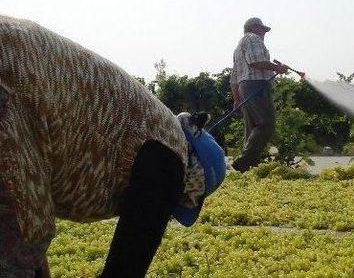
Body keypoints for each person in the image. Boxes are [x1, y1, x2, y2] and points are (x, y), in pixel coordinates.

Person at [0, 15, 225, 278]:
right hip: (13, 79)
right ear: (192, 187)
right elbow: (124, 270)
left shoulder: (149, 125)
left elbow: (27, 209)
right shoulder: (169, 161)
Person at [230, 17, 289, 172]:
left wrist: (237, 100)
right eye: (263, 30)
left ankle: (248, 168)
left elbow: (234, 78)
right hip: (256, 85)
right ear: (255, 27)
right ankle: (244, 161)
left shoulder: (238, 47)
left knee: (252, 128)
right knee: (266, 124)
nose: (264, 33)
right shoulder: (252, 38)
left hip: (245, 87)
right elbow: (256, 62)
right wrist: (278, 68)